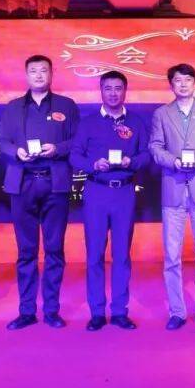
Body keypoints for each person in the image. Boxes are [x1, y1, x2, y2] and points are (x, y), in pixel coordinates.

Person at [0, 55, 79, 330]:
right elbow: (2, 141)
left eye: (44, 70)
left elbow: (77, 141)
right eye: (33, 71)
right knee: (26, 251)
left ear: (52, 74)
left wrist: (58, 149)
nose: (39, 75)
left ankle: (52, 310)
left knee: (54, 249)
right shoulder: (13, 107)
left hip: (55, 183)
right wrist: (16, 151)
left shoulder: (66, 105)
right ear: (26, 75)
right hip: (22, 184)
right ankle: (26, 311)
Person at [70, 71, 151, 331]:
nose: (113, 93)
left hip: (124, 193)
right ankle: (96, 312)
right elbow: (74, 156)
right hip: (96, 191)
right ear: (101, 91)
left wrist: (132, 162)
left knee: (121, 255)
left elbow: (146, 154)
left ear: (125, 91)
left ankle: (119, 311)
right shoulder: (88, 123)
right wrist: (92, 165)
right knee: (94, 254)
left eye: (118, 88)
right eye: (108, 88)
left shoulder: (136, 122)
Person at [149, 63, 195, 336]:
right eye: (178, 80)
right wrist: (174, 161)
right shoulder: (161, 113)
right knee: (171, 256)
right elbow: (155, 146)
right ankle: (177, 312)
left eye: (187, 80)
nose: (183, 84)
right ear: (171, 84)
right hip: (173, 189)